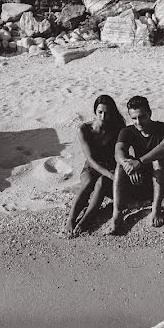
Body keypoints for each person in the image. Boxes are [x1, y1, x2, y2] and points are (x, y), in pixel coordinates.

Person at [106, 95, 164, 234]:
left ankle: (156, 209)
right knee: (121, 164)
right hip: (143, 179)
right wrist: (129, 166)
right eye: (134, 118)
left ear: (150, 113)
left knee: (157, 158)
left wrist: (138, 162)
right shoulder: (127, 131)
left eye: (142, 117)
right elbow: (118, 152)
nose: (138, 122)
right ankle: (117, 214)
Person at [65, 94, 125, 237]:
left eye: (107, 113)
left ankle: (86, 219)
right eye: (100, 112)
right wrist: (109, 174)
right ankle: (71, 219)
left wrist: (114, 173)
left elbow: (121, 153)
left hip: (111, 166)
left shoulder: (117, 128)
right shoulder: (84, 129)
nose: (103, 116)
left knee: (102, 183)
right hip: (92, 167)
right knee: (88, 182)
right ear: (95, 112)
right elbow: (91, 160)